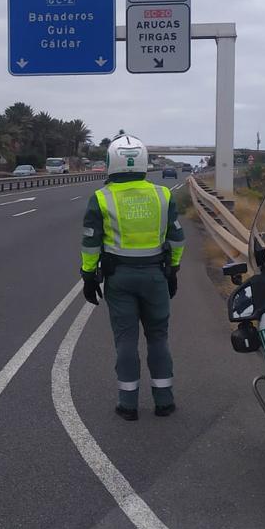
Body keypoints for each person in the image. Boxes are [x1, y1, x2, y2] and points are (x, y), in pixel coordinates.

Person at [80, 134, 185, 421]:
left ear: (111, 162)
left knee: (126, 340)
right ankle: (164, 401)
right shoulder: (163, 195)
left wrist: (88, 277)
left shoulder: (101, 198)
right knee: (158, 338)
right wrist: (173, 269)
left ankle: (128, 405)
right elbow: (177, 239)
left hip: (119, 278)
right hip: (156, 275)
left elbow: (91, 243)